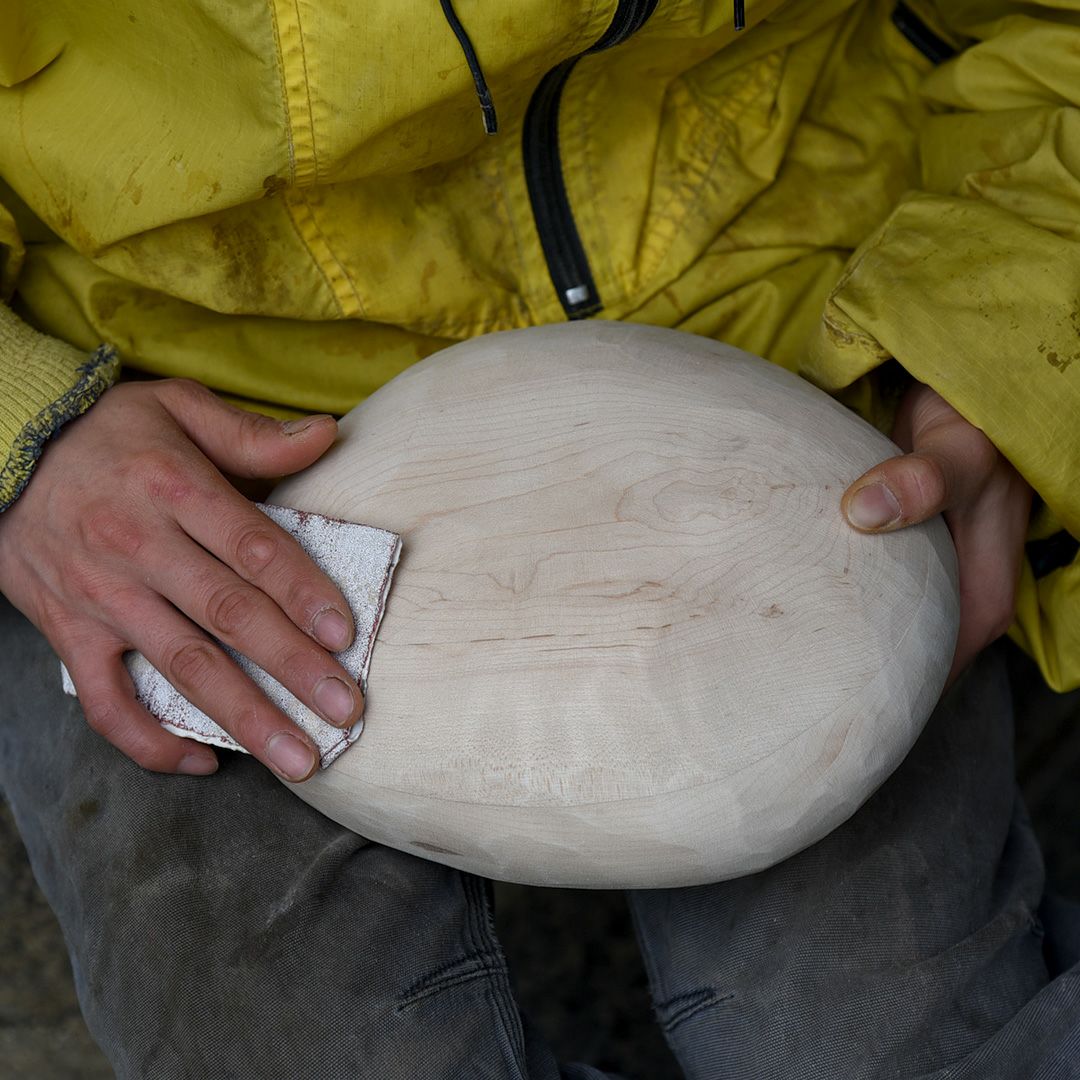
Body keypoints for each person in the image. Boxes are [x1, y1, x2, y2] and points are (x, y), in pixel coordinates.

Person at [0, 1, 1077, 1076]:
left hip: (782, 342)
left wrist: (990, 336)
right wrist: (27, 434)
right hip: (166, 434)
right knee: (274, 1033)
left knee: (879, 1034)